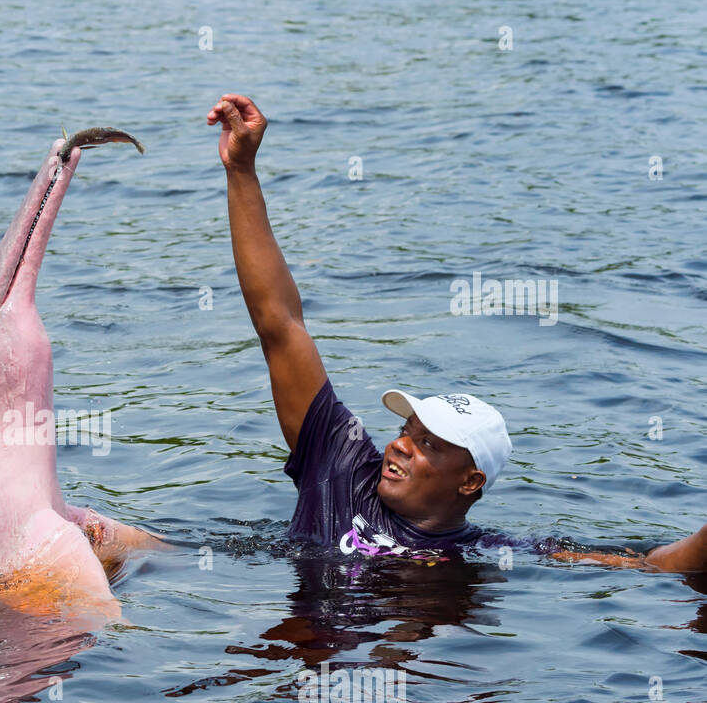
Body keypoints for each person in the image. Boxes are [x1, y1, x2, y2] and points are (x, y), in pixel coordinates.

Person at [206, 93, 707, 573]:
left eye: (430, 444)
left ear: (470, 482)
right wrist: (242, 170)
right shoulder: (340, 470)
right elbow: (280, 326)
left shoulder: (484, 554)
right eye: (407, 432)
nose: (399, 446)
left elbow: (648, 566)